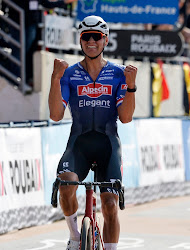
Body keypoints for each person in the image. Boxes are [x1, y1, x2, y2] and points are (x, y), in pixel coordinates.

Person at [48, 15, 137, 250]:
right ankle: (75, 236)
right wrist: (55, 78)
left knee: (109, 204)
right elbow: (56, 115)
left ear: (105, 40)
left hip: (108, 144)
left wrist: (131, 87)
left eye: (95, 37)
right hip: (79, 143)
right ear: (80, 40)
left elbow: (126, 118)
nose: (90, 42)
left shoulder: (119, 74)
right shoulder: (69, 74)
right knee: (65, 185)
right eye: (85, 37)